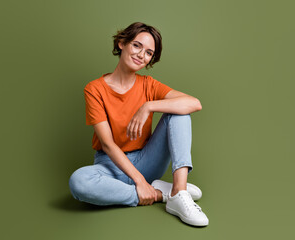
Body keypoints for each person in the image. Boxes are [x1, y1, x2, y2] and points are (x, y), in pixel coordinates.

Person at [69, 22, 209, 226]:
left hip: (146, 161)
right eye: (137, 46)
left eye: (149, 53)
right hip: (110, 167)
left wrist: (148, 107)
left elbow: (194, 103)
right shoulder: (94, 89)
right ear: (121, 43)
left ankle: (179, 192)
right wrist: (140, 183)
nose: (141, 55)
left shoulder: (149, 85)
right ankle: (161, 194)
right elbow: (107, 144)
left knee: (179, 113)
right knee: (78, 182)